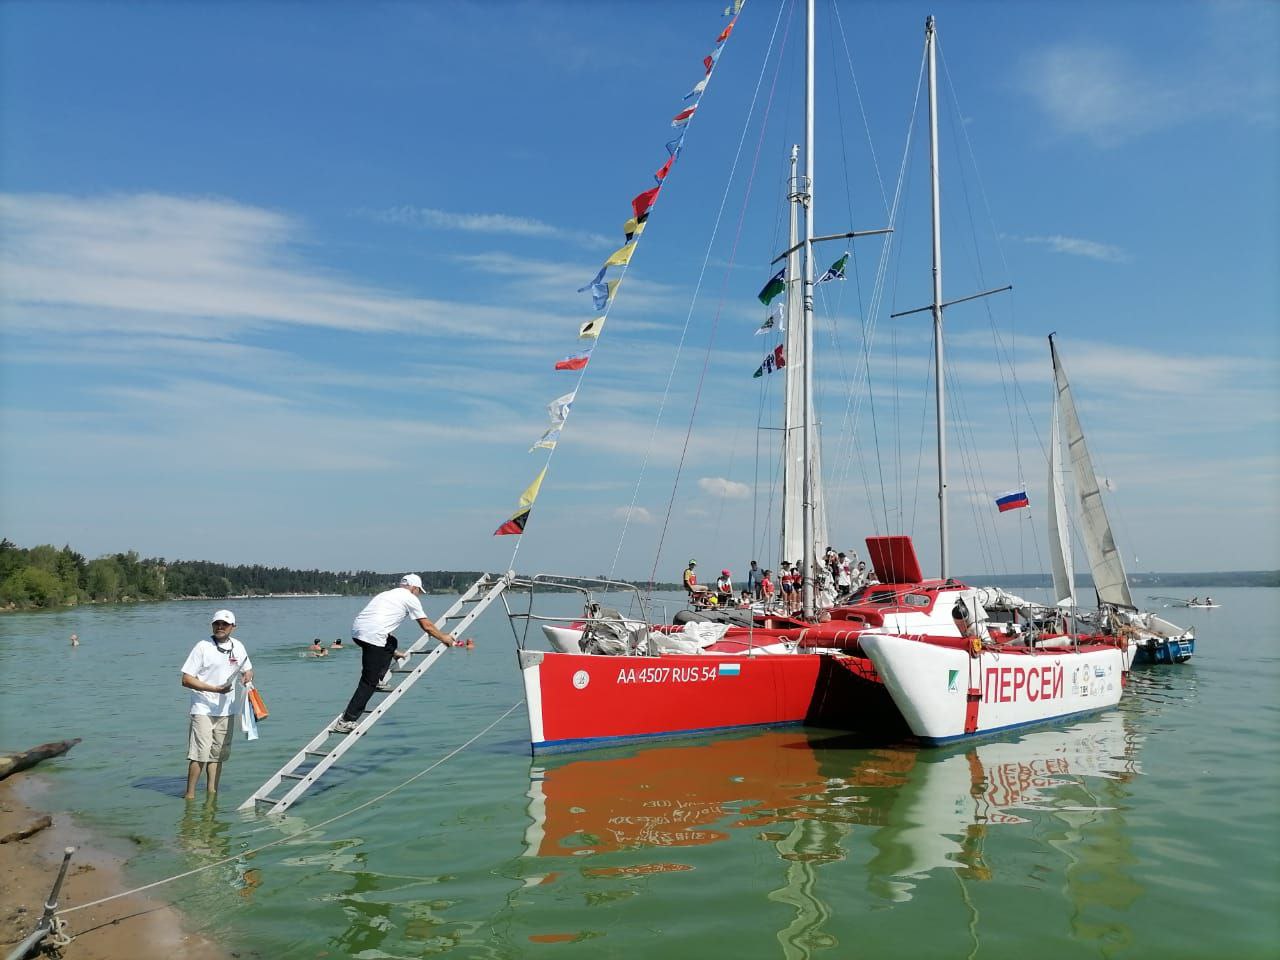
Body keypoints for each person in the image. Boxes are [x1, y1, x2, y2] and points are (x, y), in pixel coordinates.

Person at [333, 575, 456, 735]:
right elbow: (427, 626)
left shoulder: (387, 594)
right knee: (368, 682)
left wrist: (391, 652)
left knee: (391, 642)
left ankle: (379, 678)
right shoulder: (410, 598)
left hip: (358, 632)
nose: (419, 594)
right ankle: (346, 720)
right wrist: (444, 637)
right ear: (414, 588)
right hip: (373, 636)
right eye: (419, 591)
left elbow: (381, 620)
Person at [181, 609, 254, 800]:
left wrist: (247, 676)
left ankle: (212, 793)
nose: (220, 627)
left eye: (225, 624)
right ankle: (189, 795)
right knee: (199, 754)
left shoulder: (238, 646)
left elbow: (248, 669)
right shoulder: (202, 646)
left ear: (233, 627)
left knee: (218, 754)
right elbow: (186, 679)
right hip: (203, 708)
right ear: (212, 625)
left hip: (227, 710)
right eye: (217, 624)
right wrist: (214, 689)